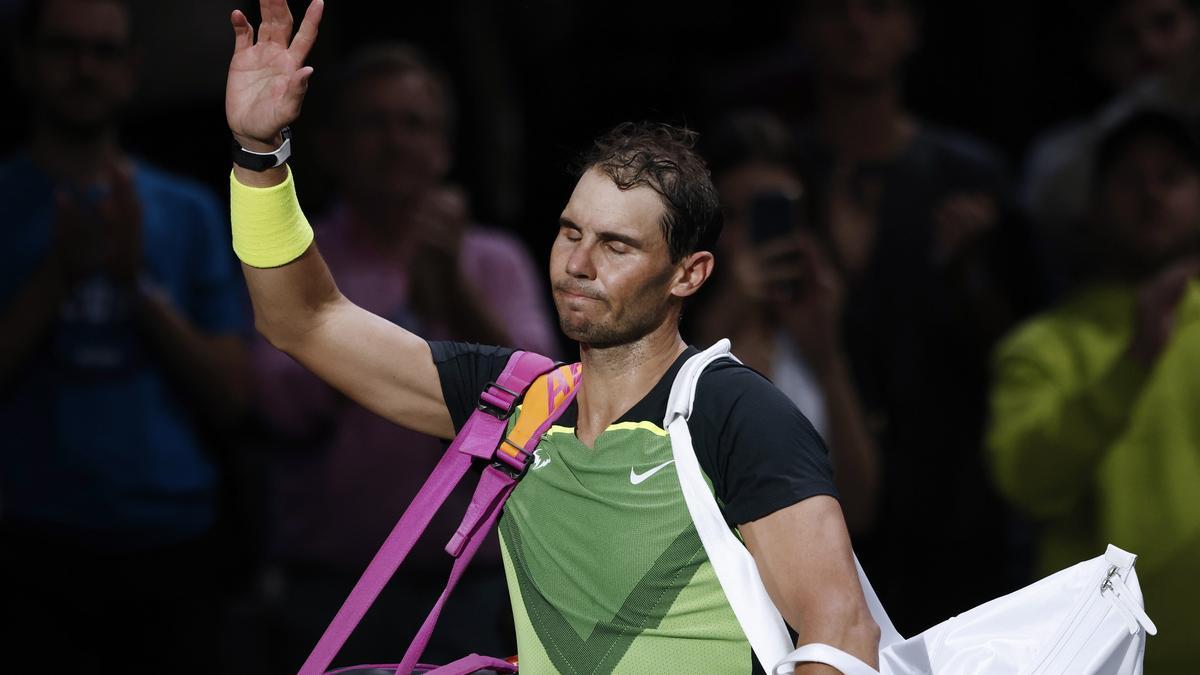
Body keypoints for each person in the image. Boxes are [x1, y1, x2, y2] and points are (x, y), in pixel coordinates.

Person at [224, 1, 879, 673]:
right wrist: (259, 155)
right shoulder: (517, 402)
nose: (578, 263)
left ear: (689, 273)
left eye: (616, 245)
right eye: (571, 232)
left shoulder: (736, 413)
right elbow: (303, 319)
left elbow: (839, 630)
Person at [250, 43, 557, 669]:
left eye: (414, 124)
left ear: (444, 149)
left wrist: (455, 292)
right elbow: (278, 404)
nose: (396, 142)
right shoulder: (297, 258)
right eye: (374, 122)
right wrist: (405, 317)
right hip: (329, 585)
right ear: (331, 146)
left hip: (466, 591)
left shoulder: (493, 261)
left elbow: (553, 408)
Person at [0, 0, 249, 672]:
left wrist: (134, 283)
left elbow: (233, 393)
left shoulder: (188, 208)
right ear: (25, 63)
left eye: (105, 51)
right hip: (27, 542)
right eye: (64, 49)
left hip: (169, 537)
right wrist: (58, 276)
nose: (85, 68)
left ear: (132, 70)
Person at [791, 0, 1045, 633]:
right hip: (805, 488)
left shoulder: (971, 175)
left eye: (878, 9)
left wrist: (971, 274)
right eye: (835, 10)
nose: (856, 26)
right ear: (804, 27)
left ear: (912, 27)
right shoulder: (777, 178)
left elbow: (1024, 340)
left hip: (953, 498)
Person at [988, 110, 1200, 675]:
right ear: (1093, 207)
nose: (1152, 194)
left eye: (1173, 176)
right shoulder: (1043, 345)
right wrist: (1131, 367)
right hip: (1104, 664)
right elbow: (1025, 482)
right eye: (1130, 180)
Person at [695, 110, 880, 534]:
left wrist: (827, 357)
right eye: (733, 216)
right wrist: (726, 315)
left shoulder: (830, 320)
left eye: (773, 212)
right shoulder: (675, 332)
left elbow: (860, 506)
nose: (750, 236)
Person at [1022, 0, 1200, 240]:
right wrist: (1156, 95)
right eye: (1125, 37)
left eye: (1165, 23)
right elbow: (1044, 206)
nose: (1150, 47)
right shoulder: (1062, 149)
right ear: (1097, 57)